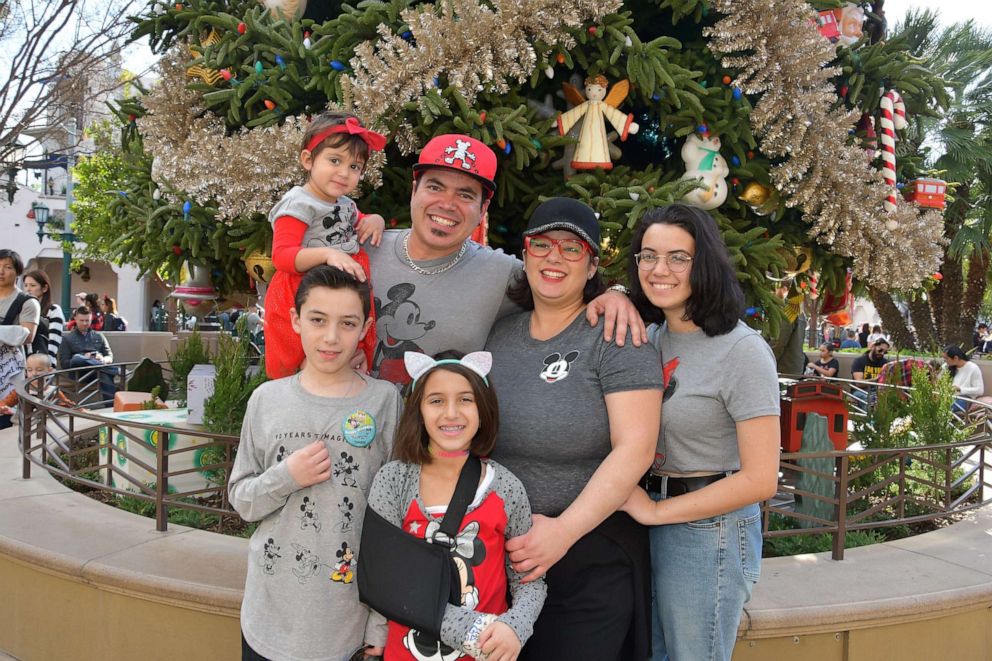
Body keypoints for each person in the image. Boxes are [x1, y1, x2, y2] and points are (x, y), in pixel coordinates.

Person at [486, 197, 663, 660]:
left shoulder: (617, 337)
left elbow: (636, 449)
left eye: (571, 248)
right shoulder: (499, 336)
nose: (553, 257)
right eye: (541, 245)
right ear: (524, 256)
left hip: (589, 557)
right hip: (500, 560)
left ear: (591, 266)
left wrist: (563, 532)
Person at [337, 133, 642, 386]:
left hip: (436, 451)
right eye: (435, 186)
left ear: (483, 209)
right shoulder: (362, 248)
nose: (447, 204)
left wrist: (616, 295)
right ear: (414, 190)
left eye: (465, 195)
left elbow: (561, 277)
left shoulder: (500, 273)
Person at [620, 204, 780, 661]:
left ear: (703, 264)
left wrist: (654, 512)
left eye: (677, 257)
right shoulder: (651, 336)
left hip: (708, 532)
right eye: (647, 256)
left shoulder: (742, 352)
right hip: (649, 524)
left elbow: (761, 479)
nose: (659, 269)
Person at [229, 266, 402, 661]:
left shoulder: (385, 401)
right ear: (295, 320)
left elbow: (394, 520)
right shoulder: (266, 400)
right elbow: (242, 500)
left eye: (347, 323)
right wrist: (286, 477)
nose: (330, 337)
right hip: (267, 621)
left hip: (348, 629)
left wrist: (380, 621)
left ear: (365, 327)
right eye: (318, 320)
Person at [367, 350, 547, 660]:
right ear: (418, 411)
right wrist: (470, 629)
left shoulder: (506, 488)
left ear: (483, 410)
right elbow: (381, 578)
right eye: (436, 400)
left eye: (465, 399)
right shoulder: (393, 481)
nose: (451, 413)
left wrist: (515, 627)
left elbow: (529, 579)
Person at [264, 110, 387, 379]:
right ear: (308, 160)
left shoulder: (343, 202)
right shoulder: (299, 204)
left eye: (354, 167)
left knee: (346, 347)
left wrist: (375, 219)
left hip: (341, 287)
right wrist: (328, 255)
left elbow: (355, 219)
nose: (344, 173)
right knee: (304, 355)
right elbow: (282, 257)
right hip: (301, 286)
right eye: (334, 160)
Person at [0, 249, 40, 430]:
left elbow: (28, 334)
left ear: (17, 272)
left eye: (7, 267)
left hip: (8, 372)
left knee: (4, 420)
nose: (1, 271)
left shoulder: (27, 302)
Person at [58, 306, 117, 402]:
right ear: (76, 319)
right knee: (78, 358)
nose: (85, 323)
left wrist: (102, 359)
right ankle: (112, 369)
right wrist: (85, 358)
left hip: (96, 371)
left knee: (103, 375)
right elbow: (65, 363)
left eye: (87, 320)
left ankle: (110, 406)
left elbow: (109, 355)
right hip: (80, 372)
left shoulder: (98, 336)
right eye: (82, 320)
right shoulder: (67, 339)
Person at [0, 352, 74, 418]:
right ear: (26, 371)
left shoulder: (53, 390)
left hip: (47, 424)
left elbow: (66, 404)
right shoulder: (21, 390)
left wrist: (78, 409)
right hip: (24, 426)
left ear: (49, 370)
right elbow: (6, 402)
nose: (34, 373)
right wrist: (2, 408)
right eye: (30, 370)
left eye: (39, 370)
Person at [22, 270, 62, 367]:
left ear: (44, 288)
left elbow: (54, 340)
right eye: (26, 285)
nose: (28, 289)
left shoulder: (53, 310)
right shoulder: (21, 309)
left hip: (44, 363)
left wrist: (50, 365)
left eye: (32, 285)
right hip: (24, 363)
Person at [942, 345, 984, 413]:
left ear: (955, 358)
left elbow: (980, 390)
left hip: (964, 398)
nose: (944, 361)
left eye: (946, 358)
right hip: (948, 396)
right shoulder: (947, 367)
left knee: (947, 409)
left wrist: (960, 389)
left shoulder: (973, 368)